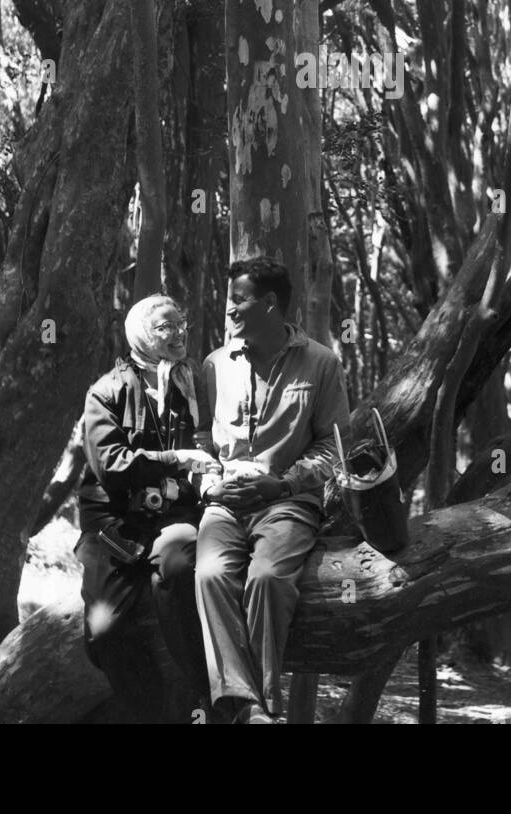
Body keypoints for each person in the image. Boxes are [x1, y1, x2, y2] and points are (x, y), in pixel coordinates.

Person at [195, 257, 351, 724]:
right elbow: (201, 439)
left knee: (266, 578)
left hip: (287, 503)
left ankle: (265, 704)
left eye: (238, 300)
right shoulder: (214, 365)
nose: (229, 310)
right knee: (209, 576)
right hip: (225, 505)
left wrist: (282, 483)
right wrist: (210, 486)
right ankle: (244, 707)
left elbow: (334, 447)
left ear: (269, 305)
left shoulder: (321, 363)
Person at [75, 294, 219, 720]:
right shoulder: (106, 391)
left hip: (173, 518)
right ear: (141, 334)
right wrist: (175, 458)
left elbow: (207, 445)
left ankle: (208, 701)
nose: (179, 333)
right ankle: (153, 713)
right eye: (165, 327)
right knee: (103, 635)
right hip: (113, 526)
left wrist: (207, 472)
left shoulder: (191, 384)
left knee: (178, 569)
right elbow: (111, 466)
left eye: (182, 323)